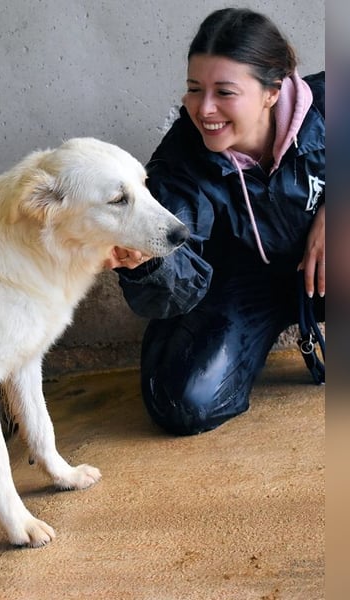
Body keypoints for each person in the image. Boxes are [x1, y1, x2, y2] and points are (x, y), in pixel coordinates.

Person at [106, 8, 325, 435]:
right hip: (239, 290)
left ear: (272, 92)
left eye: (224, 91)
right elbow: (178, 261)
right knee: (183, 403)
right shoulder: (180, 162)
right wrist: (147, 261)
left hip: (321, 268)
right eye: (194, 89)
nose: (203, 109)